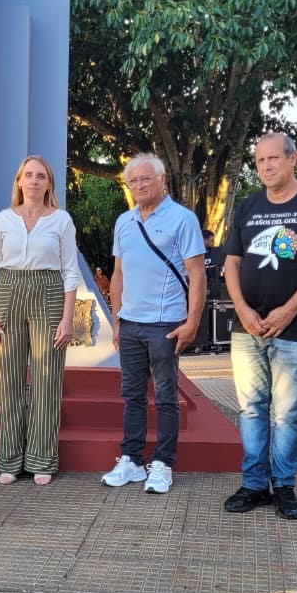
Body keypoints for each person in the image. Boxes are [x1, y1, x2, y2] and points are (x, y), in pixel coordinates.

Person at [222, 132, 297, 520]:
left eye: (273, 159)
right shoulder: (248, 207)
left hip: (294, 327)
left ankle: (284, 486)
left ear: (293, 159)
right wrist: (241, 310)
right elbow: (232, 263)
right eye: (259, 161)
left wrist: (288, 311)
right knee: (251, 409)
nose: (266, 167)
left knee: (286, 412)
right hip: (248, 328)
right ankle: (254, 484)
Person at [100, 153, 206, 494]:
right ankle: (131, 459)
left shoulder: (182, 219)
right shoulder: (123, 222)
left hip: (165, 325)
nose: (139, 186)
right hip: (129, 324)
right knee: (131, 396)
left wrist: (192, 322)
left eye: (146, 179)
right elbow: (117, 274)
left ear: (162, 181)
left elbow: (197, 274)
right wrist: (116, 320)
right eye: (133, 181)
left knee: (165, 398)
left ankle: (162, 463)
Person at [0, 155, 80, 485]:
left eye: (41, 176)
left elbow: (70, 272)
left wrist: (68, 319)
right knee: (7, 375)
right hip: (8, 292)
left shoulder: (62, 221)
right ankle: (9, 458)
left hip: (49, 292)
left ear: (49, 183)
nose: (34, 181)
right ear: (19, 182)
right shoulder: (3, 219)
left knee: (46, 376)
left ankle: (41, 458)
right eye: (28, 175)